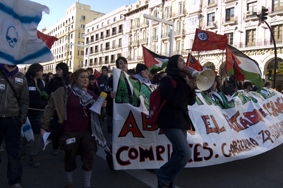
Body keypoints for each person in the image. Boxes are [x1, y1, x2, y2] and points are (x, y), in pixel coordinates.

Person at [41, 69, 99, 188]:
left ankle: (86, 184)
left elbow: (97, 111)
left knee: (89, 157)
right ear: (75, 79)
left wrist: (102, 105)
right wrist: (44, 126)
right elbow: (50, 107)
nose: (86, 79)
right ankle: (69, 182)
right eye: (82, 77)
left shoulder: (91, 94)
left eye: (87, 77)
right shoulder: (65, 91)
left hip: (86, 131)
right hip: (69, 131)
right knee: (69, 157)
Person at [157, 55, 196, 188]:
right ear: (174, 62)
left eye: (183, 61)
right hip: (170, 120)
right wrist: (186, 87)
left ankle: (168, 183)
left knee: (177, 153)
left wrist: (192, 87)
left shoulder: (183, 79)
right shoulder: (166, 80)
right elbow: (173, 100)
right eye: (180, 60)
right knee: (185, 153)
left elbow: (190, 102)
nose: (183, 63)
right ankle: (163, 176)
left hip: (181, 120)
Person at [0, 64, 29, 188]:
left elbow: (24, 101)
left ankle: (15, 181)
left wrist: (21, 119)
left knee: (14, 153)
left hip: (13, 120)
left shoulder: (22, 78)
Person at [21, 64, 48, 168]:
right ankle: (22, 150)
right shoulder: (25, 81)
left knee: (36, 134)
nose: (42, 73)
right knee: (25, 133)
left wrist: (45, 102)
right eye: (41, 71)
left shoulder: (42, 82)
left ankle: (34, 156)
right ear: (36, 71)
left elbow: (44, 94)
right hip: (27, 112)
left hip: (38, 112)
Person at [45, 62, 71, 155]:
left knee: (67, 130)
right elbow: (47, 92)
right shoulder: (54, 80)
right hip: (57, 109)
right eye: (57, 70)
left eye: (59, 70)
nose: (57, 72)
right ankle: (55, 146)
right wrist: (52, 101)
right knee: (56, 129)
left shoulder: (70, 80)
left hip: (68, 108)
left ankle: (64, 145)